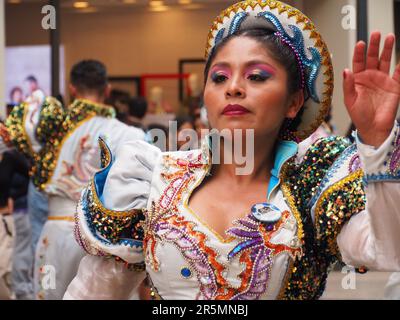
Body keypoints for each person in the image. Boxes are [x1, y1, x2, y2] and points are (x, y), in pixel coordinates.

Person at [65, 1, 400, 300]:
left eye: (256, 77)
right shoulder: (154, 178)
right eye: (219, 77)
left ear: (293, 102)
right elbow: (93, 292)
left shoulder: (313, 182)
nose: (234, 88)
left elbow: (388, 252)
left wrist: (376, 143)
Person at [6, 60, 145, 300]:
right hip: (106, 241)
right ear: (107, 90)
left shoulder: (49, 133)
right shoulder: (131, 135)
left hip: (56, 233)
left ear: (72, 89)